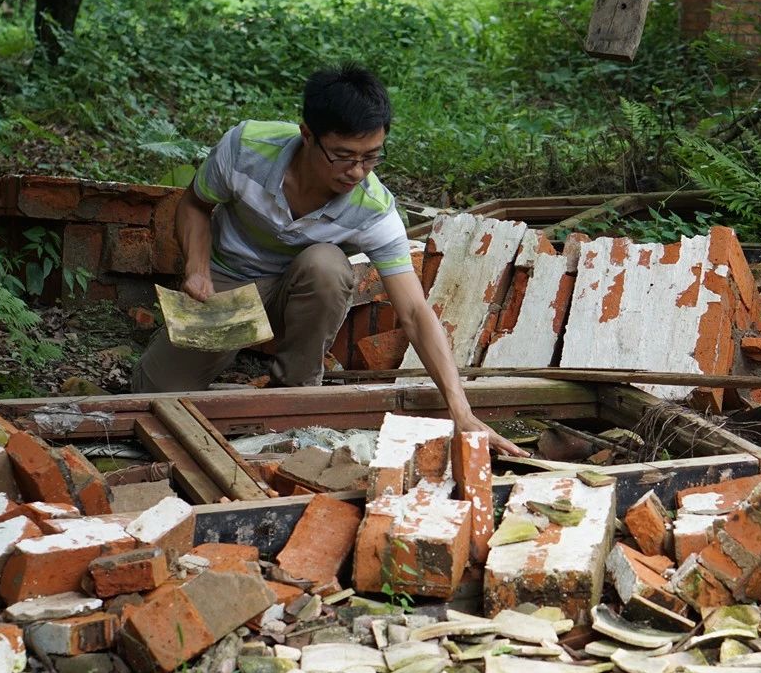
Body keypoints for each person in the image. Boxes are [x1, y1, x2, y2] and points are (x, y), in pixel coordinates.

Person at [131, 63, 525, 456]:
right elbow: (195, 205)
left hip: (299, 292)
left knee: (327, 265)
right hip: (227, 285)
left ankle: (296, 398)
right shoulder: (245, 148)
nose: (357, 171)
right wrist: (198, 271)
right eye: (343, 156)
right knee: (153, 394)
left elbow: (415, 312)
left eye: (371, 157)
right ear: (307, 135)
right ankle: (223, 350)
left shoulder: (373, 209)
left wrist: (461, 410)